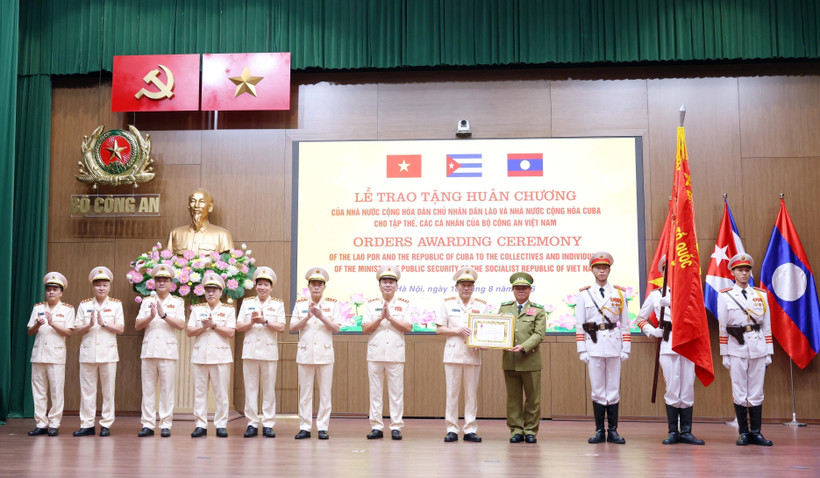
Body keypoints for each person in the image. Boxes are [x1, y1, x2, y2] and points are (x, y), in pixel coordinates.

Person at [636, 255, 705, 445]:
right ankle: (673, 431)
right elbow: (640, 319)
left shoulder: (692, 293)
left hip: (688, 344)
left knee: (688, 387)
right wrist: (653, 331)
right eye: (668, 269)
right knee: (673, 388)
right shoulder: (656, 295)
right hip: (668, 344)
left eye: (676, 269)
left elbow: (700, 319)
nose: (672, 272)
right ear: (663, 272)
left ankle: (687, 432)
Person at [718, 253, 774, 446]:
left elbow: (767, 325)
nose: (744, 273)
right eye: (740, 270)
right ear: (733, 272)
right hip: (736, 347)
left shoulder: (761, 294)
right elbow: (723, 327)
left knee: (757, 391)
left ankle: (756, 433)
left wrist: (769, 351)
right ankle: (743, 432)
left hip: (758, 345)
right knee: (740, 390)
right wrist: (724, 353)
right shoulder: (725, 295)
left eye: (747, 270)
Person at [575, 252, 630, 444]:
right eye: (598, 267)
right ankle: (599, 430)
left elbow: (625, 324)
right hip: (594, 345)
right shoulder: (584, 294)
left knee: (613, 389)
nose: (601, 270)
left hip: (614, 344)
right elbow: (580, 323)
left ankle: (613, 431)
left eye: (605, 267)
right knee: (598, 389)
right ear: (592, 270)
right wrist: (582, 349)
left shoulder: (619, 293)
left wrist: (626, 348)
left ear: (609, 270)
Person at [436, 267, 492, 443]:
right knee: (451, 393)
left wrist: (485, 342)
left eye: (469, 285)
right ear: (456, 287)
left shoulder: (481, 304)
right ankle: (451, 429)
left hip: (473, 355)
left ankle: (470, 429)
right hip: (452, 353)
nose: (466, 288)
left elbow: (487, 330)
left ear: (474, 287)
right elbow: (439, 329)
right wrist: (456, 330)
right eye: (463, 285)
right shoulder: (447, 303)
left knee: (471, 394)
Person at [72, 267, 125, 437]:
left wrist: (104, 324)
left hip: (108, 354)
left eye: (104, 285)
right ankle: (87, 424)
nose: (101, 288)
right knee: (87, 390)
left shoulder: (116, 304)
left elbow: (121, 328)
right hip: (88, 353)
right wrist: (88, 325)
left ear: (109, 287)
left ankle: (106, 424)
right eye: (98, 285)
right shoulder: (84, 304)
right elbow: (76, 329)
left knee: (108, 391)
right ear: (92, 287)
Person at [290, 267, 341, 440]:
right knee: (305, 393)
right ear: (309, 287)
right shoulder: (300, 304)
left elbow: (336, 328)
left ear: (324, 287)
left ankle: (322, 427)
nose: (316, 287)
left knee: (325, 393)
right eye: (313, 284)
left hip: (325, 355)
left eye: (320, 284)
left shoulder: (332, 305)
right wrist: (307, 317)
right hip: (305, 353)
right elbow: (292, 328)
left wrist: (321, 317)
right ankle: (304, 427)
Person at [362, 265, 412, 440]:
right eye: (385, 282)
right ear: (379, 285)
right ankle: (376, 426)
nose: (388, 285)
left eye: (391, 282)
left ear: (396, 285)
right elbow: (365, 328)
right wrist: (380, 318)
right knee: (375, 392)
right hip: (375, 354)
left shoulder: (404, 304)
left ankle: (396, 426)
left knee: (396, 392)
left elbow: (408, 327)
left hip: (395, 354)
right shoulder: (371, 304)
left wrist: (390, 318)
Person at [135, 263, 185, 438]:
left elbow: (181, 324)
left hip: (167, 351)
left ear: (171, 283)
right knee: (148, 389)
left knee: (166, 389)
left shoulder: (177, 302)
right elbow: (137, 325)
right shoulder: (147, 301)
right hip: (149, 350)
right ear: (154, 283)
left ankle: (165, 424)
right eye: (159, 280)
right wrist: (150, 316)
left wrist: (164, 315)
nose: (162, 283)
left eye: (165, 280)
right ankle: (148, 424)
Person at [236, 266, 286, 438]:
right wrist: (251, 322)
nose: (262, 287)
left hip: (269, 352)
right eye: (259, 284)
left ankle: (268, 424)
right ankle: (251, 423)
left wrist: (265, 321)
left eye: (266, 284)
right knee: (250, 388)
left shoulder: (278, 304)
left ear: (271, 287)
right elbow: (239, 326)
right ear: (255, 286)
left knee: (268, 389)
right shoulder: (247, 303)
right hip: (250, 351)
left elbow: (281, 327)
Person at [497, 272, 546, 444]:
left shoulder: (538, 310)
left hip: (530, 361)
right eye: (517, 288)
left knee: (533, 399)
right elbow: (498, 331)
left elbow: (539, 334)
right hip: (510, 360)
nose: (520, 291)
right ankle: (516, 430)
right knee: (513, 398)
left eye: (524, 288)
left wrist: (524, 347)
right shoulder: (504, 308)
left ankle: (531, 430)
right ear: (513, 290)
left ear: (530, 290)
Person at [187, 272, 236, 437]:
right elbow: (189, 331)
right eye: (208, 290)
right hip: (201, 355)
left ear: (221, 292)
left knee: (221, 392)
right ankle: (200, 424)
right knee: (200, 392)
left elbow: (230, 332)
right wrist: (204, 327)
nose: (211, 293)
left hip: (220, 357)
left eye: (214, 290)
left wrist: (214, 325)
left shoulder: (228, 310)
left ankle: (221, 424)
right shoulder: (198, 309)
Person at [27, 272, 75, 437]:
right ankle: (41, 423)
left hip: (56, 357)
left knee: (56, 391)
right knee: (38, 391)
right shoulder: (37, 308)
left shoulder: (68, 309)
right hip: (38, 354)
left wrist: (52, 322)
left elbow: (68, 333)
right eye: (49, 289)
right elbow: (30, 332)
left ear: (61, 292)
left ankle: (54, 424)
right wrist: (37, 325)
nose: (51, 292)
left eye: (55, 289)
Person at [167, 188, 233, 255]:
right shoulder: (175, 234)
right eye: (193, 201)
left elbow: (227, 261)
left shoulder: (222, 235)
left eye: (201, 202)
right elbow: (166, 261)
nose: (196, 205)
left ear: (210, 207)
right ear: (188, 206)